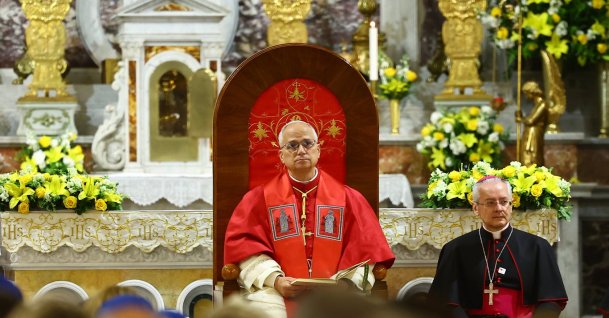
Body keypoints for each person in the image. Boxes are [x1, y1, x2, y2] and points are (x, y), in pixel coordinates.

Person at [224, 120, 395, 318]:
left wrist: (345, 284)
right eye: (293, 145)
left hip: (337, 292)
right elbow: (244, 246)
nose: (301, 151)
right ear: (281, 154)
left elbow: (367, 248)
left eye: (307, 143)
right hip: (276, 291)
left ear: (318, 150)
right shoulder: (258, 199)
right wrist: (276, 280)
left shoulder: (349, 198)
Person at [429, 176, 568, 317]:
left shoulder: (537, 247)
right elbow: (444, 302)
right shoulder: (456, 249)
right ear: (476, 208)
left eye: (504, 202)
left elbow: (551, 301)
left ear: (511, 205)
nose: (499, 208)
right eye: (490, 203)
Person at [516, 81, 548, 166]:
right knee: (527, 154)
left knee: (533, 154)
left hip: (534, 133)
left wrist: (520, 118)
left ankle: (534, 175)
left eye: (526, 93)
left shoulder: (542, 105)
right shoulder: (536, 105)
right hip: (529, 132)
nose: (526, 96)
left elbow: (531, 121)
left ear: (531, 92)